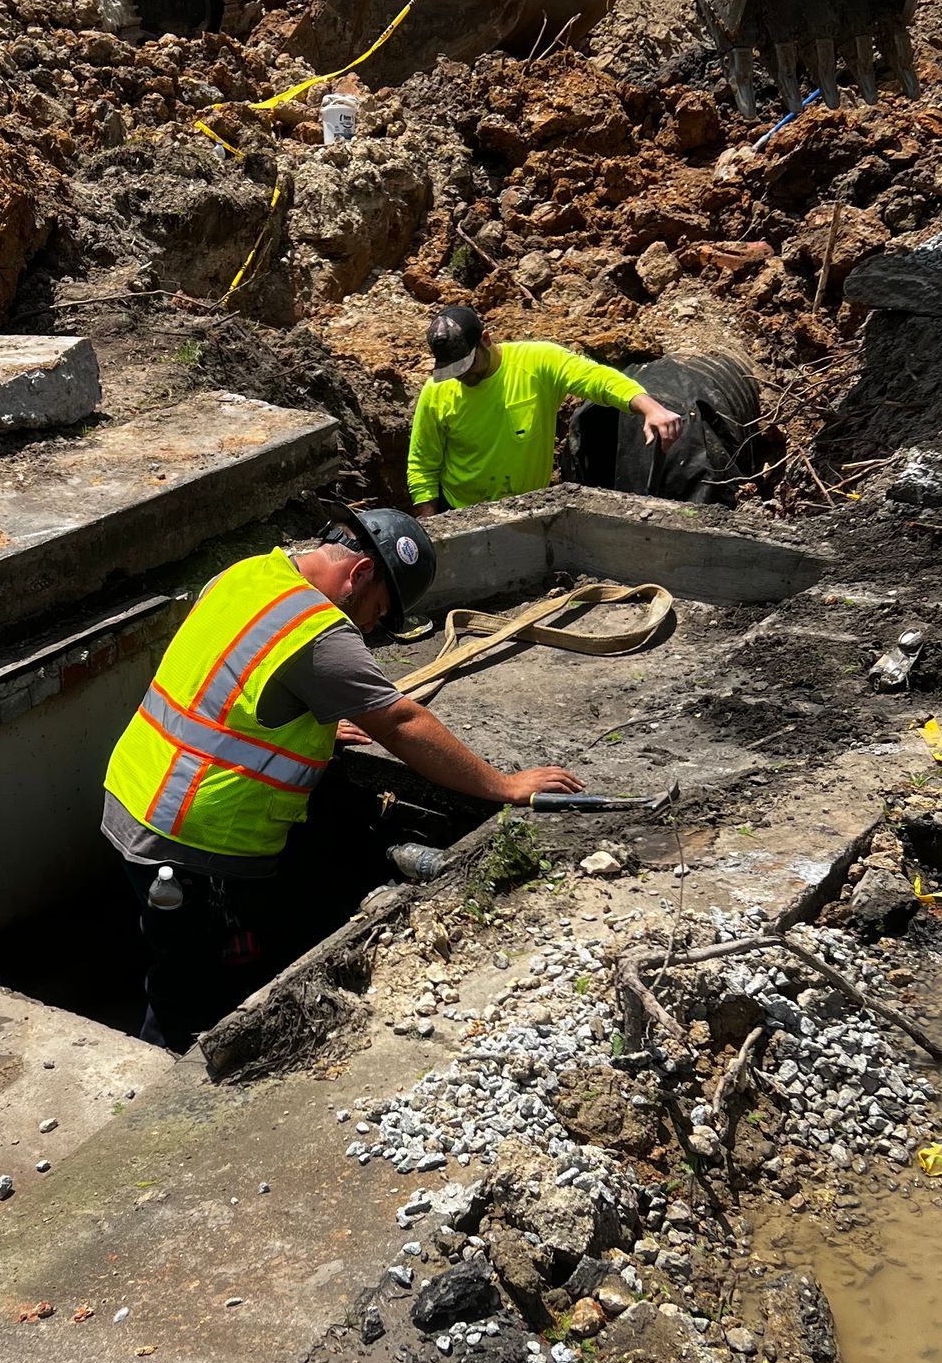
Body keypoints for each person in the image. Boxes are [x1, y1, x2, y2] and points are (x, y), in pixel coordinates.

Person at [102, 500, 583, 1049]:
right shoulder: (317, 631)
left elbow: (229, 683)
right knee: (196, 990)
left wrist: (309, 725)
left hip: (136, 797)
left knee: (175, 956)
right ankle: (169, 1085)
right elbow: (402, 722)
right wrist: (503, 785)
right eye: (376, 612)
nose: (371, 628)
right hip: (197, 841)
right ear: (360, 574)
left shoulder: (248, 573)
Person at [406, 306, 684, 515]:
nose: (461, 376)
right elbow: (422, 463)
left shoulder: (537, 362)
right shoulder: (436, 391)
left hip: (527, 510)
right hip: (460, 511)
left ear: (486, 339)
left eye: (467, 365)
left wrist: (650, 407)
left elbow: (597, 379)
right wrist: (433, 523)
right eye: (452, 370)